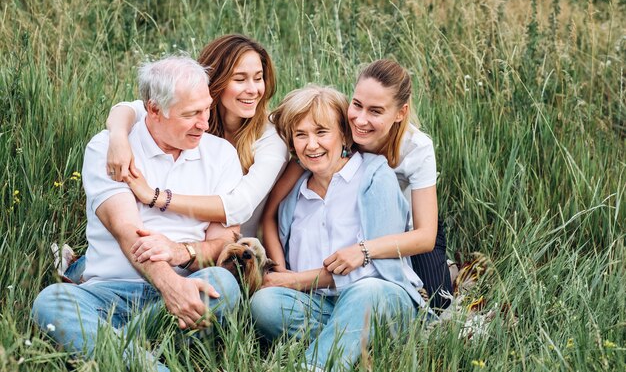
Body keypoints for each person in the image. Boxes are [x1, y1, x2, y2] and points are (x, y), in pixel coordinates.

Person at [31, 56, 243, 371]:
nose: (204, 122)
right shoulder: (111, 148)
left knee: (223, 284)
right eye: (191, 114)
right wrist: (169, 286)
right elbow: (126, 230)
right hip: (108, 293)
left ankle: (112, 352)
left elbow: (223, 241)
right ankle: (151, 361)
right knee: (50, 302)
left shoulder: (221, 155)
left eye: (207, 109)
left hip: (187, 287)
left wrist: (180, 252)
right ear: (153, 109)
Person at [250, 85, 431, 371]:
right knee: (264, 304)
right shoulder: (295, 193)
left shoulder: (374, 176)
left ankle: (316, 365)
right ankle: (357, 344)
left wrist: (295, 281)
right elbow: (269, 221)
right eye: (301, 135)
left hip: (380, 298)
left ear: (344, 135)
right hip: (320, 306)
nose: (311, 145)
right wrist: (281, 273)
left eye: (322, 132)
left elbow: (378, 268)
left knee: (366, 291)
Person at [262, 59, 452, 309]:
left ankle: (443, 272)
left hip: (409, 232)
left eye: (375, 111)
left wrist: (364, 250)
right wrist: (283, 275)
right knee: (268, 305)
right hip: (347, 256)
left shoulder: (417, 148)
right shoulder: (331, 136)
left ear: (400, 113)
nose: (360, 120)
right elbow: (272, 211)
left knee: (439, 305)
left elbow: (425, 236)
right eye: (357, 105)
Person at [106, 34, 289, 238]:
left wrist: (154, 196)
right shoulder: (192, 116)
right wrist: (118, 138)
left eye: (258, 78)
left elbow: (239, 207)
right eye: (240, 79)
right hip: (185, 237)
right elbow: (131, 108)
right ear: (216, 81)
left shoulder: (271, 137)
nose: (253, 90)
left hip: (235, 251)